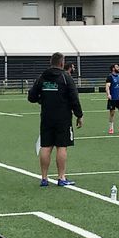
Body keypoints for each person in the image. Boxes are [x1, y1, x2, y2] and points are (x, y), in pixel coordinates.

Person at [27, 52, 83, 187]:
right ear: (62, 63)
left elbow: (31, 96)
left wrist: (43, 100)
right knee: (61, 146)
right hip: (63, 117)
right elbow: (74, 98)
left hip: (46, 116)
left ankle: (44, 178)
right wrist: (79, 115)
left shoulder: (42, 77)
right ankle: (61, 177)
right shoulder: (65, 77)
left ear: (50, 62)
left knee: (46, 146)